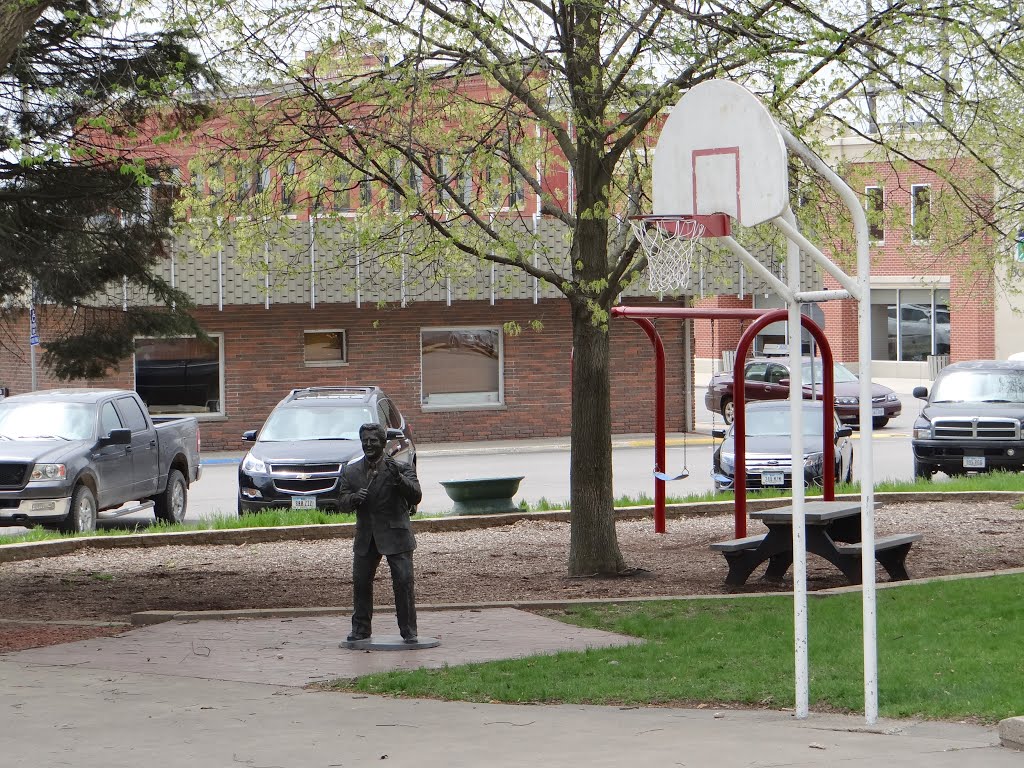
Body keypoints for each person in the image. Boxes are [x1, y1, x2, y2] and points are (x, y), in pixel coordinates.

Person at [339, 422, 422, 643]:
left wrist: (398, 479)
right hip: (367, 536)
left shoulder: (400, 468)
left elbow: (416, 496)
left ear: (383, 443)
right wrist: (354, 499)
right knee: (360, 581)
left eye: (373, 441)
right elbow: (342, 502)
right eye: (365, 441)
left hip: (396, 534)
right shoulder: (351, 470)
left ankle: (409, 630)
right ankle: (361, 629)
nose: (368, 444)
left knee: (403, 581)